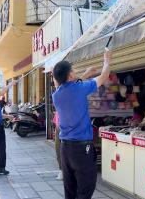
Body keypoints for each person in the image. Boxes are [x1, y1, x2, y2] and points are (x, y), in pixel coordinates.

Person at [52, 51, 111, 199]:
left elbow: (71, 85)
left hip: (65, 149)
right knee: (85, 189)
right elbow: (103, 77)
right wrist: (107, 61)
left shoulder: (57, 94)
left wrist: (85, 73)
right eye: (73, 70)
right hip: (81, 149)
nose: (74, 72)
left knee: (70, 191)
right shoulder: (78, 89)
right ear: (70, 75)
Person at [53, 67, 97, 181]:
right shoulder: (60, 91)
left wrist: (85, 74)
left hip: (64, 132)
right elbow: (74, 87)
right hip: (61, 128)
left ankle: (65, 171)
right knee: (59, 150)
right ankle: (62, 170)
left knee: (62, 151)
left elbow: (74, 86)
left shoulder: (58, 93)